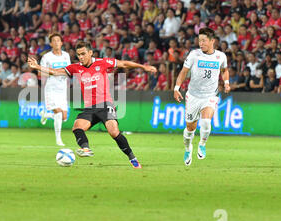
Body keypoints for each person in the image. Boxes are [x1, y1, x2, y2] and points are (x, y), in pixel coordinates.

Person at [28, 41, 157, 169]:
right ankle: (86, 149)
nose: (81, 57)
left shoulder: (102, 62)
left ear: (90, 53)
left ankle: (132, 158)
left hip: (105, 104)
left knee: (113, 132)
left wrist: (143, 67)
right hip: (90, 108)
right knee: (77, 127)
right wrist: (38, 67)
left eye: (83, 54)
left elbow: (123, 64)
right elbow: (55, 72)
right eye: (78, 55)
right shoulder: (75, 67)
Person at [173, 28, 230, 166]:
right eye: (199, 40)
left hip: (210, 95)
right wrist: (176, 88)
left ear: (212, 41)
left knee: (205, 122)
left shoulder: (221, 56)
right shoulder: (194, 55)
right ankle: (188, 148)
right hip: (193, 96)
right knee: (190, 129)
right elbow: (183, 72)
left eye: (204, 40)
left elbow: (224, 70)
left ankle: (202, 144)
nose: (201, 43)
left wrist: (227, 83)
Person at [38, 33, 71, 146]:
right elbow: (40, 71)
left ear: (61, 43)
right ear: (51, 44)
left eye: (58, 40)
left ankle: (46, 115)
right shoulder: (47, 57)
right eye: (54, 41)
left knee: (64, 117)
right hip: (51, 88)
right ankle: (58, 139)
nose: (57, 42)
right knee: (58, 112)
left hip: (63, 89)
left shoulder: (66, 55)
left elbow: (69, 70)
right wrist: (52, 72)